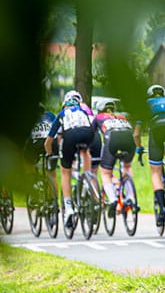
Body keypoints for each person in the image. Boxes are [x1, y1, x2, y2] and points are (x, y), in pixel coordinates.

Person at [44, 90, 96, 226]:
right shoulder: (83, 111)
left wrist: (49, 154)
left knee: (65, 171)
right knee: (85, 151)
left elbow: (48, 141)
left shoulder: (62, 114)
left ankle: (68, 208)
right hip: (88, 134)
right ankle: (87, 179)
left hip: (71, 136)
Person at [134, 84, 165, 228]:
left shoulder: (146, 105)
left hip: (157, 130)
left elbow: (136, 133)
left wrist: (139, 148)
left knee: (156, 171)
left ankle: (162, 210)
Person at [93, 99, 136, 217]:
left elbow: (93, 136)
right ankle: (131, 198)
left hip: (112, 139)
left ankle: (112, 199)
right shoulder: (121, 117)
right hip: (129, 140)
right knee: (127, 166)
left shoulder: (98, 117)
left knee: (106, 172)